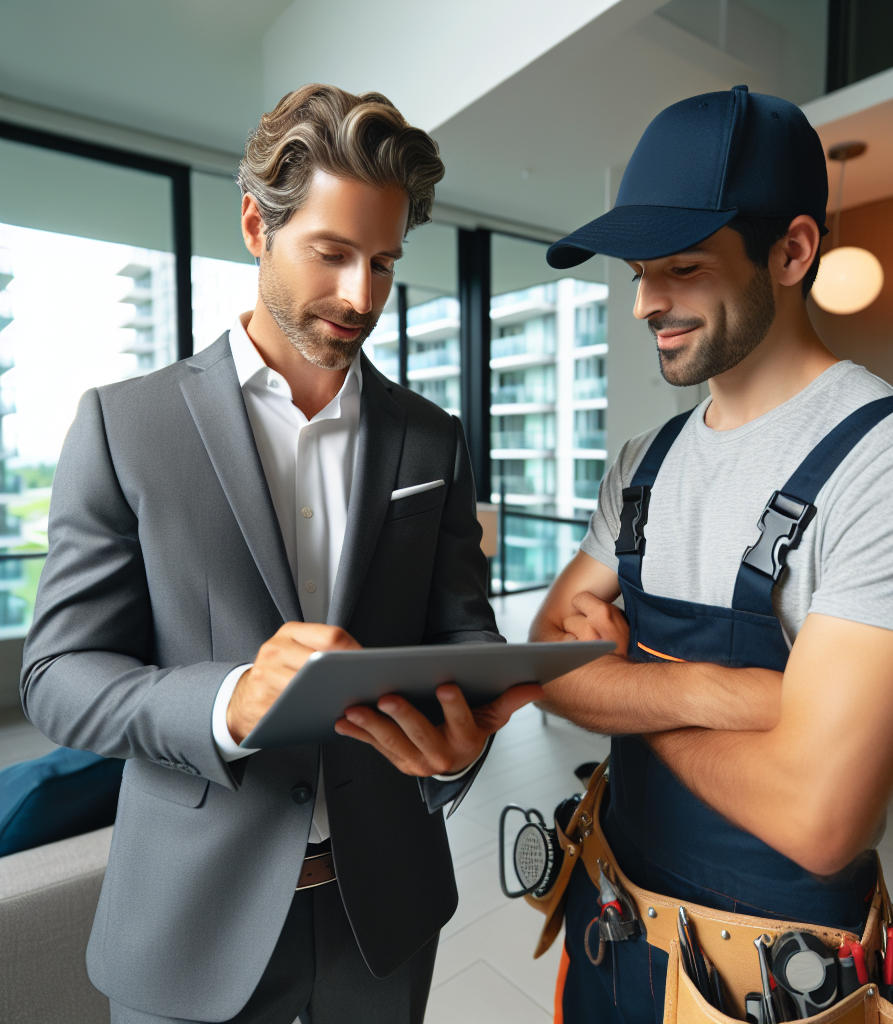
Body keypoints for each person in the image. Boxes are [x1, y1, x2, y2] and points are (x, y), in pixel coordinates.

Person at [21, 84, 540, 1024]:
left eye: (383, 262)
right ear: (257, 225)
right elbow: (56, 676)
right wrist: (228, 700)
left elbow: (461, 635)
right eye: (332, 254)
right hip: (188, 921)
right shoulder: (124, 425)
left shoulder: (433, 439)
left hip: (383, 915)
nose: (361, 296)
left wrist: (462, 749)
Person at [532, 85, 893, 1022]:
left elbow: (820, 819)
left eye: (683, 268)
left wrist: (622, 682)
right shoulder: (641, 464)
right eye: (637, 273)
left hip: (772, 981)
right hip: (605, 915)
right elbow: (548, 658)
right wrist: (719, 694)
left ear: (792, 251)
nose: (645, 304)